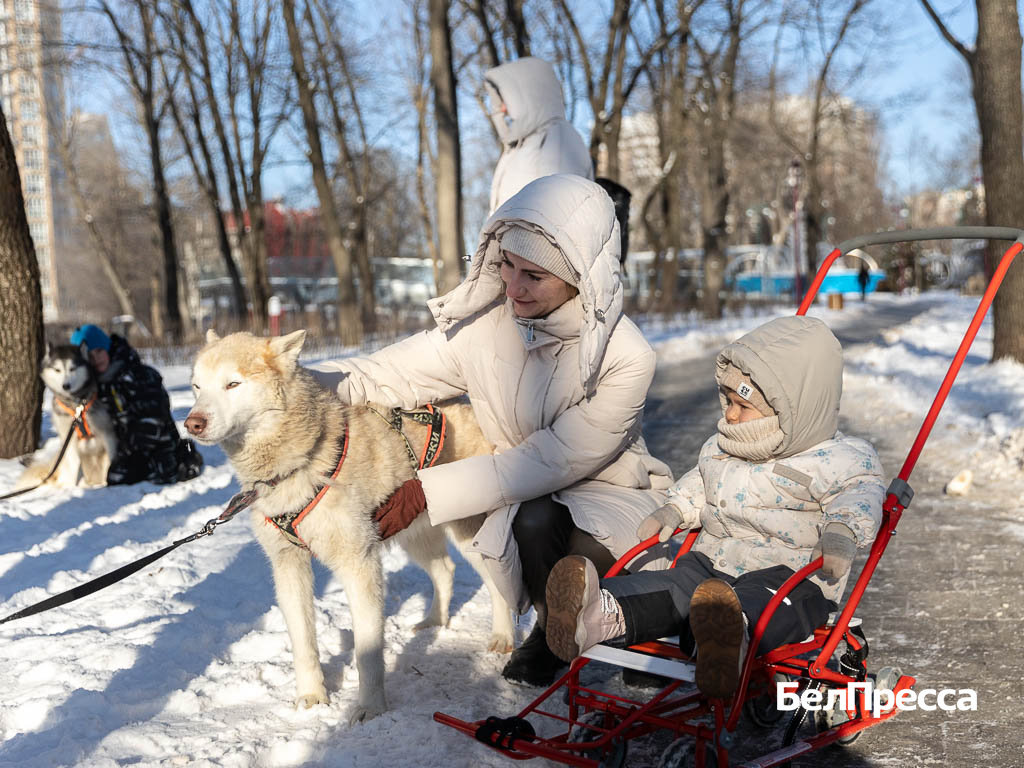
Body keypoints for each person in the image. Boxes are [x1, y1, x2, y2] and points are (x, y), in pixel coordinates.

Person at [313, 174, 674, 686]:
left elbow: (555, 458)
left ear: (579, 277)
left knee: (572, 546)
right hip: (523, 496)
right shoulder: (486, 326)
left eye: (534, 275)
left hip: (609, 493)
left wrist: (428, 491)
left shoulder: (626, 355)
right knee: (531, 520)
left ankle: (636, 625)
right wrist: (288, 382)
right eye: (506, 265)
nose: (513, 286)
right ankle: (554, 631)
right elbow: (387, 374)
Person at [543, 315, 885, 700]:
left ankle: (727, 641)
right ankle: (595, 614)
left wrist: (841, 533)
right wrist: (674, 510)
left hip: (791, 575)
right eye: (728, 401)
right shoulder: (722, 444)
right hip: (711, 565)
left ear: (793, 410)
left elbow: (860, 495)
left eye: (744, 404)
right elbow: (700, 485)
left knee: (759, 603)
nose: (731, 414)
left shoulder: (841, 459)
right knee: (673, 587)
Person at [70, 324, 204, 485]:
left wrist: (123, 457)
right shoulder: (99, 382)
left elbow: (151, 425)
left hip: (156, 450)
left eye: (99, 351)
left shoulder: (139, 375)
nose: (95, 359)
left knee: (119, 479)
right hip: (125, 448)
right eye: (89, 356)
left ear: (108, 348)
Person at [484, 57, 593, 214]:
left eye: (505, 100)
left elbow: (561, 211)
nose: (501, 109)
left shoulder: (560, 138)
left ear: (526, 95)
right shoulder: (516, 149)